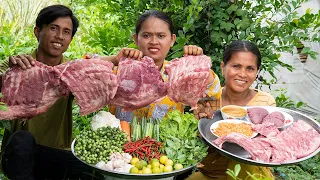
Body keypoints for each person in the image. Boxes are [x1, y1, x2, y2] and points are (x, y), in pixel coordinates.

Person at [0, 5, 103, 180]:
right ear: (37, 31)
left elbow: (101, 74)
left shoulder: (71, 72)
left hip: (57, 156)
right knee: (22, 140)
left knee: (93, 169)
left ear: (70, 39)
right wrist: (9, 74)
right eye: (53, 28)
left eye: (66, 32)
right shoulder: (16, 65)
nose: (59, 36)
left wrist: (119, 59)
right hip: (19, 157)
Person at [98, 9, 222, 122]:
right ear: (136, 39)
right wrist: (115, 59)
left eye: (161, 36)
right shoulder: (121, 71)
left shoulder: (179, 73)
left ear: (172, 40)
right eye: (146, 35)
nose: (154, 42)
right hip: (123, 143)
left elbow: (215, 91)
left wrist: (198, 64)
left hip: (167, 145)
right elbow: (81, 71)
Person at [190, 40, 276, 180]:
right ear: (223, 67)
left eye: (250, 68)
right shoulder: (209, 98)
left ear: (256, 72)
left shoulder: (264, 103)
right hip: (212, 174)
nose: (242, 74)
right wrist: (201, 125)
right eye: (236, 66)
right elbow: (198, 147)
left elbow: (269, 149)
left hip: (250, 173)